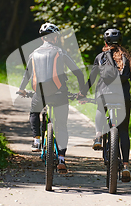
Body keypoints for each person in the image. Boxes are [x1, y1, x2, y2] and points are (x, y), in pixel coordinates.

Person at [80, 28, 131, 182]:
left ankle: (98, 136)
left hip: (103, 95)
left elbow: (91, 79)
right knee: (123, 131)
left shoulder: (100, 57)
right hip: (122, 97)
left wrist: (82, 94)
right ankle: (125, 166)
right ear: (121, 42)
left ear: (105, 42)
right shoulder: (127, 59)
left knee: (100, 108)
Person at [18, 23, 86, 174]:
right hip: (60, 94)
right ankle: (61, 159)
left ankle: (36, 140)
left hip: (40, 94)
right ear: (55, 37)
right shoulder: (60, 52)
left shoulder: (33, 54)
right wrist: (82, 92)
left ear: (42, 38)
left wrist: (22, 89)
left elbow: (27, 75)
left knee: (34, 113)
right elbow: (79, 73)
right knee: (61, 126)